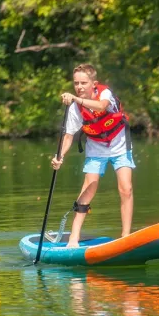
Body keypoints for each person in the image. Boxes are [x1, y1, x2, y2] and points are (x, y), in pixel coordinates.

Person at [51, 64, 135, 248]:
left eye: (83, 83)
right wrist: (60, 156)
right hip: (96, 149)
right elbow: (68, 136)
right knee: (89, 189)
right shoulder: (75, 109)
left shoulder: (105, 94)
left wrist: (75, 99)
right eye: (76, 83)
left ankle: (126, 236)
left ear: (93, 83)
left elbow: (101, 106)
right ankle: (73, 239)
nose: (79, 87)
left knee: (125, 188)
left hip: (120, 145)